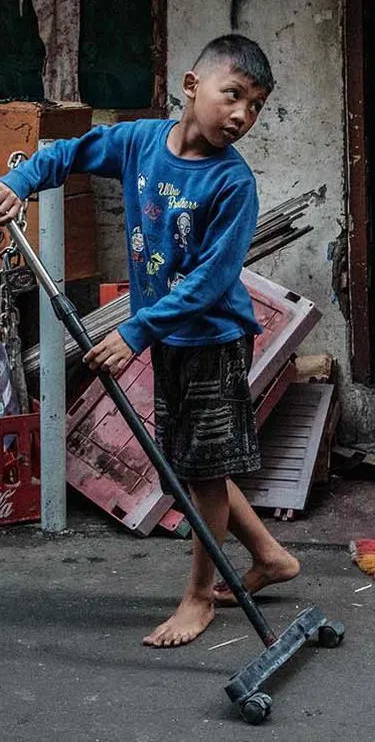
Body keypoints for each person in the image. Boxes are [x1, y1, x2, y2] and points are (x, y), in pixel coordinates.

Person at [0, 34, 300, 646]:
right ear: (193, 87)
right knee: (189, 468)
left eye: (256, 106)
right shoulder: (140, 143)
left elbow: (215, 280)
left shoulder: (232, 184)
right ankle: (269, 557)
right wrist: (22, 181)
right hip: (169, 338)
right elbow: (75, 151)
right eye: (233, 96)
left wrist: (134, 328)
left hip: (212, 339)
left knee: (204, 471)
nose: (242, 115)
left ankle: (198, 596)